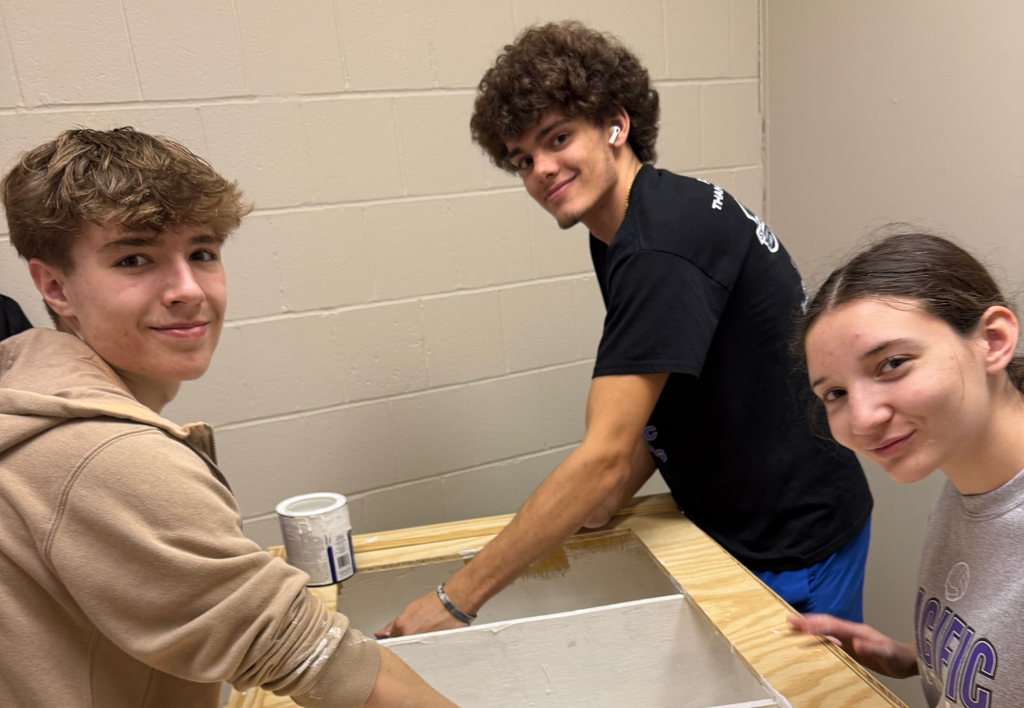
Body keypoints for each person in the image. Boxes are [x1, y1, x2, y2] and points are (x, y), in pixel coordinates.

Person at [378, 21, 873, 639]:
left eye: (558, 138)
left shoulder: (659, 246)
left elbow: (604, 457)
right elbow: (669, 389)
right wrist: (608, 495)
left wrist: (454, 601)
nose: (542, 170)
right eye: (523, 159)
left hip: (796, 540)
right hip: (741, 519)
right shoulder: (635, 222)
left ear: (616, 123)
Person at [0, 128, 458, 708]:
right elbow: (317, 660)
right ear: (55, 287)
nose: (188, 289)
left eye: (202, 253)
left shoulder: (28, 383)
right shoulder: (106, 459)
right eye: (135, 259)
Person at [790, 232, 1024, 705]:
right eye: (834, 393)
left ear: (993, 341)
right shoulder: (969, 484)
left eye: (892, 364)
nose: (862, 419)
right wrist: (914, 657)